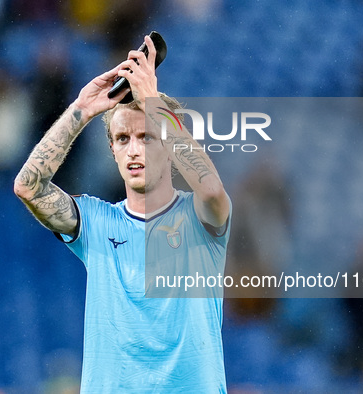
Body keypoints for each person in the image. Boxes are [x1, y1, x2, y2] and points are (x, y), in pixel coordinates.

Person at [14, 35, 231, 392]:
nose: (133, 150)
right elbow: (28, 187)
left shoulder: (199, 218)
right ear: (112, 150)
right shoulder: (97, 222)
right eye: (122, 139)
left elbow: (211, 189)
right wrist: (81, 110)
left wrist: (152, 102)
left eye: (146, 137)